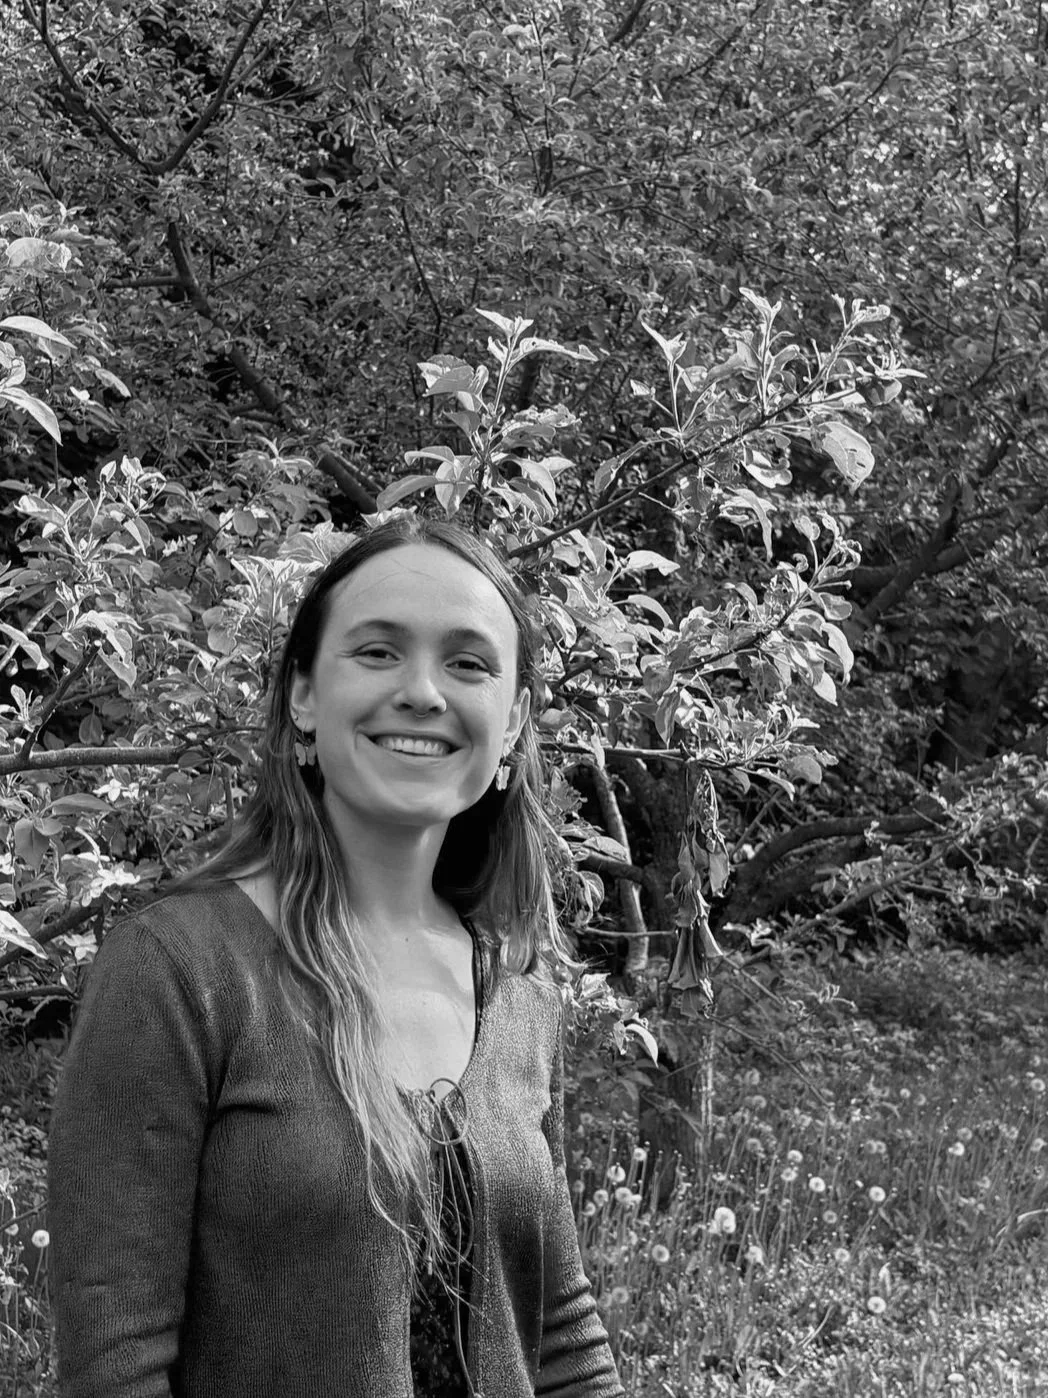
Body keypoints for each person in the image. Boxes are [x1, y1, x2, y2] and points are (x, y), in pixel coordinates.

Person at [47, 515, 625, 1398]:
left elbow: (559, 1333)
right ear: (304, 697)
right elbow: (115, 1361)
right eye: (379, 652)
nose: (424, 692)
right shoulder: (180, 972)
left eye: (468, 663)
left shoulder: (519, 994)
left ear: (511, 725)